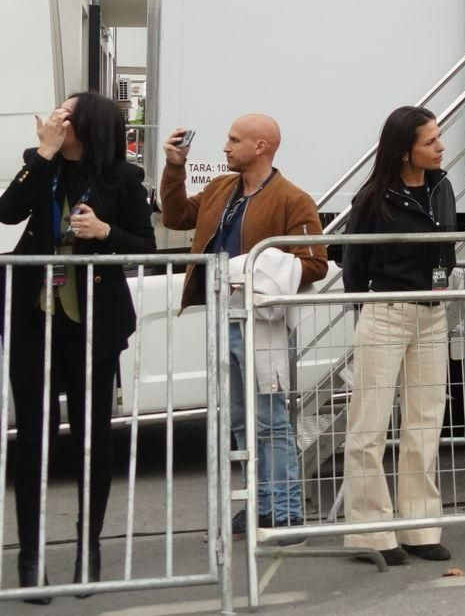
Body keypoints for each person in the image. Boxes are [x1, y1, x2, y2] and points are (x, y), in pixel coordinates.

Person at [0, 94, 150, 599]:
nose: (53, 118)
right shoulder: (38, 165)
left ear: (86, 125)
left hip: (94, 322)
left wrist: (105, 232)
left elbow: (144, 246)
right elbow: (6, 212)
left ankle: (90, 551)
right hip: (33, 318)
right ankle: (31, 560)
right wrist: (42, 157)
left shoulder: (122, 177)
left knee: (93, 438)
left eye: (64, 113)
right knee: (34, 440)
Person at [162, 115, 328, 535]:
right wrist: (175, 167)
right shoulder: (222, 188)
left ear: (261, 146)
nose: (225, 146)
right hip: (224, 316)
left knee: (270, 418)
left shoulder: (293, 199)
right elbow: (175, 216)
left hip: (263, 323)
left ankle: (285, 511)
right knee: (239, 418)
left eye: (234, 140)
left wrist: (251, 272)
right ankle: (260, 504)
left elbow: (315, 263)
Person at [340, 107, 456, 566]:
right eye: (431, 141)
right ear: (405, 149)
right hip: (386, 312)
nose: (441, 147)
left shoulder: (441, 188)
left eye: (439, 139)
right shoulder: (373, 198)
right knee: (369, 425)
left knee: (426, 422)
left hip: (433, 313)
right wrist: (367, 309)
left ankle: (420, 527)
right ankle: (370, 532)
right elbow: (354, 268)